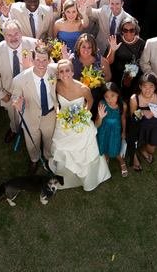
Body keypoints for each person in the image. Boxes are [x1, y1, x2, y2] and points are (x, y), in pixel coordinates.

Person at [45, 58, 112, 190]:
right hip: (64, 121)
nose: (65, 74)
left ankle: (87, 179)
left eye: (67, 71)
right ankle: (65, 176)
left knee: (86, 150)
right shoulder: (57, 85)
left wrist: (82, 116)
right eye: (61, 71)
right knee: (62, 148)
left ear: (73, 72)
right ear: (58, 73)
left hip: (80, 120)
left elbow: (90, 101)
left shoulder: (83, 88)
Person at [12, 45, 59, 175]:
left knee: (49, 138)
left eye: (44, 60)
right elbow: (15, 97)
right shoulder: (19, 80)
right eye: (38, 59)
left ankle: (49, 158)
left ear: (49, 61)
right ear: (32, 60)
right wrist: (18, 105)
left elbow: (67, 69)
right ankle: (34, 158)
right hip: (30, 115)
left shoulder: (54, 71)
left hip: (49, 114)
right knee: (32, 140)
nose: (41, 63)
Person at [0, 21, 37, 144]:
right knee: (13, 115)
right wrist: (1, 94)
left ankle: (32, 133)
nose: (13, 38)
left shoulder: (33, 44)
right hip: (9, 93)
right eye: (9, 35)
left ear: (21, 33)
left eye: (16, 34)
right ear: (4, 36)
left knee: (32, 114)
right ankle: (14, 129)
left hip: (30, 90)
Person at [129, 72, 157, 169]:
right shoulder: (134, 98)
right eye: (144, 86)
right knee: (133, 142)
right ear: (140, 87)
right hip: (139, 124)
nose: (148, 90)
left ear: (155, 87)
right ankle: (134, 156)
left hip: (154, 124)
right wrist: (142, 112)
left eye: (151, 86)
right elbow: (132, 116)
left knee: (151, 149)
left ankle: (143, 149)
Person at [104, 16, 146, 98]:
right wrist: (112, 50)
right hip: (116, 71)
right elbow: (109, 61)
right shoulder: (117, 38)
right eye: (125, 30)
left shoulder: (141, 43)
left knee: (126, 95)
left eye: (132, 30)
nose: (128, 33)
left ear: (136, 30)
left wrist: (133, 70)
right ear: (121, 30)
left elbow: (142, 61)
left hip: (131, 74)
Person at [96, 83, 127, 178]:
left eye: (113, 95)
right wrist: (100, 117)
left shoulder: (123, 105)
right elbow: (96, 125)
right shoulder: (102, 104)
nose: (110, 99)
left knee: (115, 147)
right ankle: (106, 157)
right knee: (104, 144)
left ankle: (121, 161)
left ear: (117, 94)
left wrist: (123, 132)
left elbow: (123, 119)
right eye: (107, 97)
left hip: (115, 129)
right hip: (104, 129)